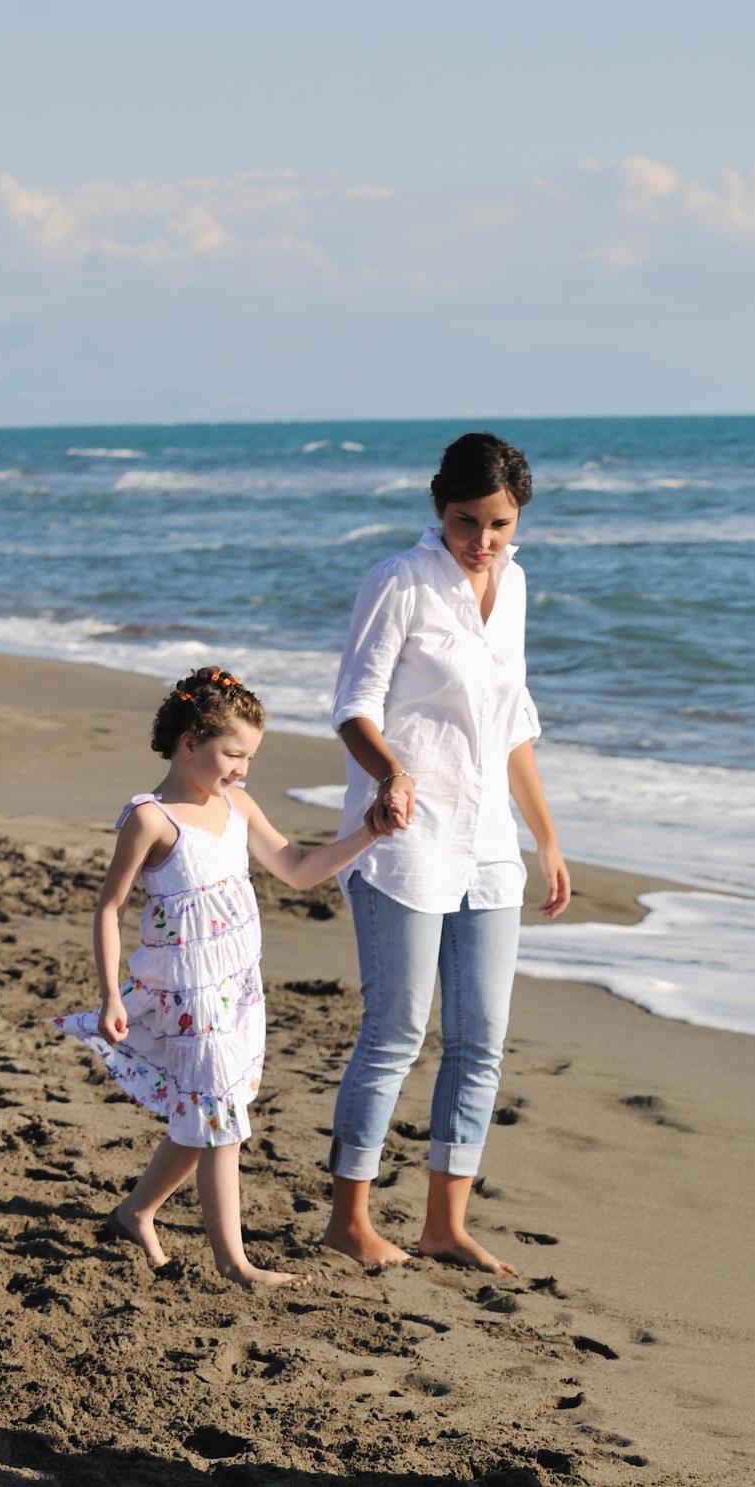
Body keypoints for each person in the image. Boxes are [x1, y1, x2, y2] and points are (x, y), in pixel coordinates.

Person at [320, 431, 572, 1276]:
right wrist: (390, 773)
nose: (484, 540)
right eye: (468, 521)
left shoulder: (517, 585)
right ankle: (348, 1219)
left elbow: (514, 725)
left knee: (482, 1039)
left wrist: (545, 835)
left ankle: (443, 1223)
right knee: (395, 1031)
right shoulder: (398, 585)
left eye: (500, 524)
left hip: (488, 843)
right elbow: (353, 705)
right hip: (406, 840)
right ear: (439, 506)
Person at [58, 667, 381, 1288]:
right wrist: (107, 995)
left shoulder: (238, 806)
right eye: (234, 754)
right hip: (187, 994)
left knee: (209, 1112)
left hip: (238, 990)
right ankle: (234, 1264)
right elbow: (108, 907)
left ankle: (136, 1212)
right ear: (189, 744)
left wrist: (367, 833)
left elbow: (295, 868)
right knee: (220, 1120)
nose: (243, 769)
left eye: (250, 756)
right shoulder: (151, 820)